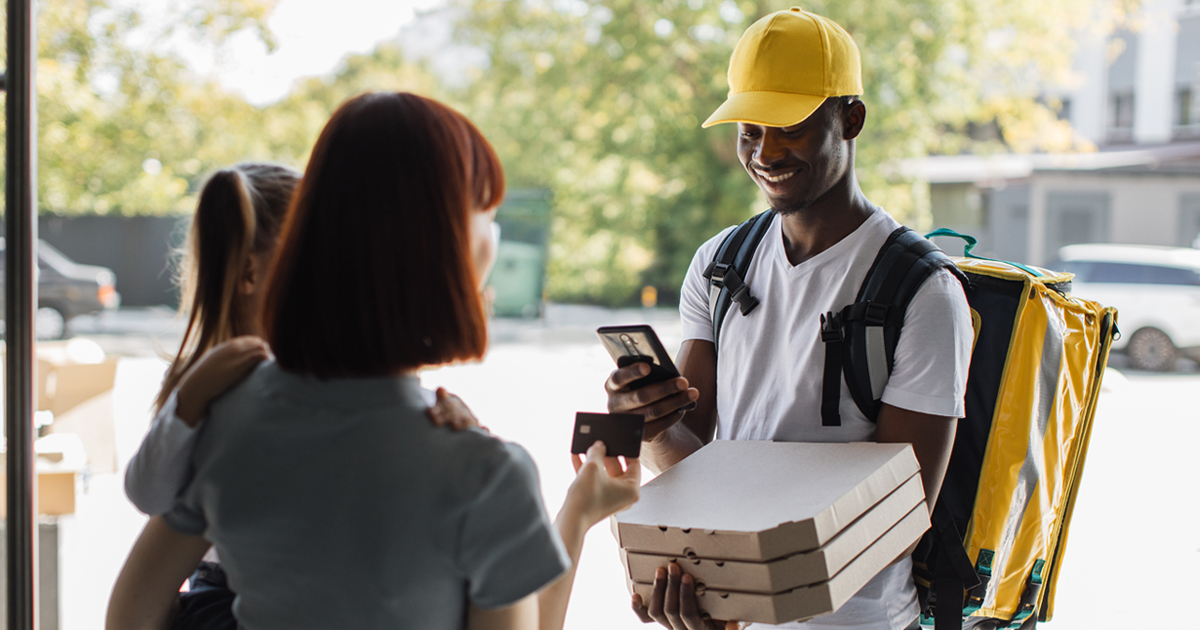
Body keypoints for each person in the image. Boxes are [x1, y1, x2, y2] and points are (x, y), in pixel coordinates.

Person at [106, 91, 640, 630]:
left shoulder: (229, 419)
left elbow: (129, 616)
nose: (496, 241)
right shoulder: (483, 474)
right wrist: (578, 512)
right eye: (486, 215)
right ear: (446, 246)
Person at [606, 8, 972, 630]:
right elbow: (690, 462)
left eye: (790, 127)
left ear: (850, 119)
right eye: (751, 128)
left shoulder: (922, 292)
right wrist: (651, 429)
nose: (765, 151)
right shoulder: (720, 264)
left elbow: (898, 519)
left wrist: (752, 587)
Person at [121, 162, 481, 629]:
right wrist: (188, 402)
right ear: (251, 272)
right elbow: (148, 495)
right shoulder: (208, 384)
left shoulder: (326, 370)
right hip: (227, 595)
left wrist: (441, 433)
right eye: (316, 260)